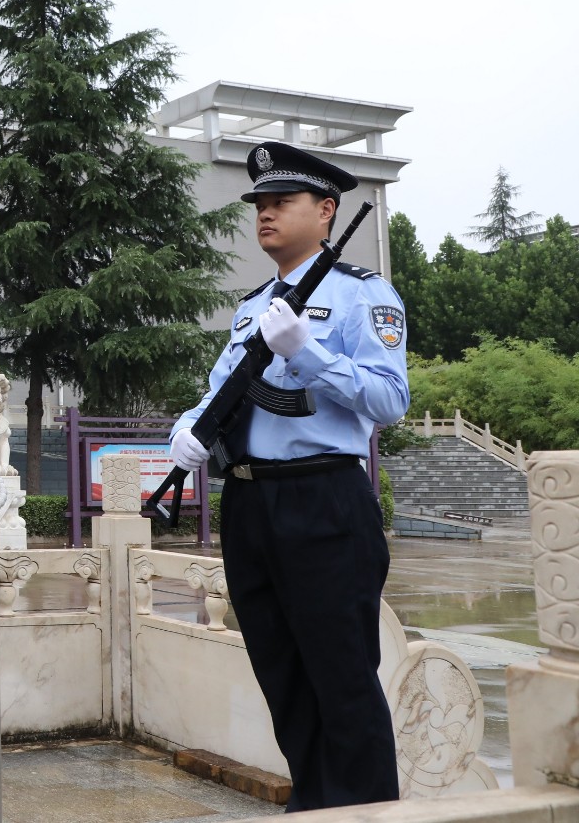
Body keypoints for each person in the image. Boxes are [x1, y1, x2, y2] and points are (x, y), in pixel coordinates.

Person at [168, 141, 408, 812]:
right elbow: (218, 391)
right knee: (282, 673)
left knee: (343, 677)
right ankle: (313, 801)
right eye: (260, 205)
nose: (265, 215)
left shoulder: (364, 295)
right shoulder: (253, 307)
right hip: (249, 503)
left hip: (323, 499)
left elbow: (390, 399)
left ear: (326, 211)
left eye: (282, 203)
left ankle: (363, 809)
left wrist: (311, 352)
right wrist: (185, 433)